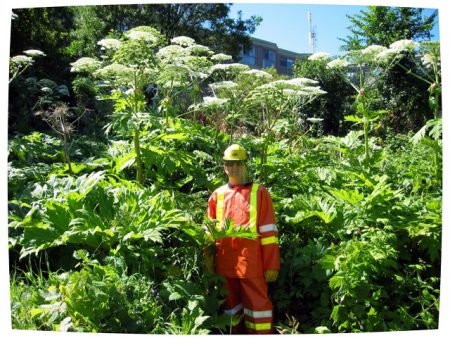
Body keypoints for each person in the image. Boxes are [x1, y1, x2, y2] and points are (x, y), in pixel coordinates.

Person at [207, 144, 280, 334]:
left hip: (252, 264)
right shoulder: (217, 195)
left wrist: (272, 264)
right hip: (224, 264)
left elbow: (268, 231)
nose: (234, 168)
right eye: (230, 163)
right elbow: (208, 232)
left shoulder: (259, 193)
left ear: (245, 165)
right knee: (230, 308)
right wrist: (208, 261)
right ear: (224, 166)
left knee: (258, 309)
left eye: (238, 163)